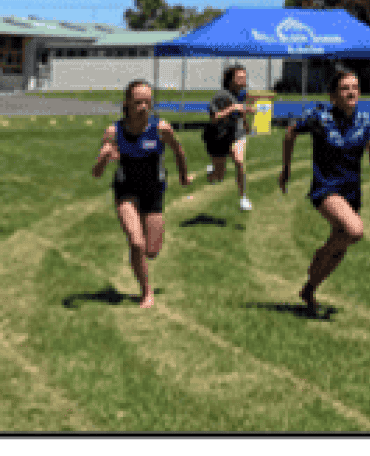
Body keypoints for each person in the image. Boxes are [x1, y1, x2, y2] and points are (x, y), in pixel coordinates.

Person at [279, 70, 370, 316]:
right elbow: (290, 131)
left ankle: (309, 289)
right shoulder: (320, 117)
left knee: (339, 249)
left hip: (351, 192)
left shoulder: (366, 119)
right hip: (326, 188)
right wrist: (286, 169)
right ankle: (320, 255)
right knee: (354, 230)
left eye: (355, 87)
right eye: (345, 88)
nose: (351, 92)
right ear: (334, 95)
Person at [91, 79, 191, 308]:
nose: (143, 107)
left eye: (147, 102)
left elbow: (179, 150)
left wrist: (184, 175)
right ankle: (146, 292)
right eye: (137, 102)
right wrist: (104, 158)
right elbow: (97, 173)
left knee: (152, 250)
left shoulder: (161, 128)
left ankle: (140, 263)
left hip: (152, 191)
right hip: (126, 190)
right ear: (127, 103)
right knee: (136, 243)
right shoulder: (114, 131)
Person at [205, 65, 256, 211]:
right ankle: (213, 171)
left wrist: (246, 122)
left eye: (244, 77)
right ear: (230, 80)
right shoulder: (221, 96)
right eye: (239, 77)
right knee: (219, 177)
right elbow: (214, 118)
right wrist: (232, 108)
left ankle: (243, 198)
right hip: (219, 136)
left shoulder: (242, 94)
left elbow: (241, 111)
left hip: (237, 134)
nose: (243, 80)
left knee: (239, 161)